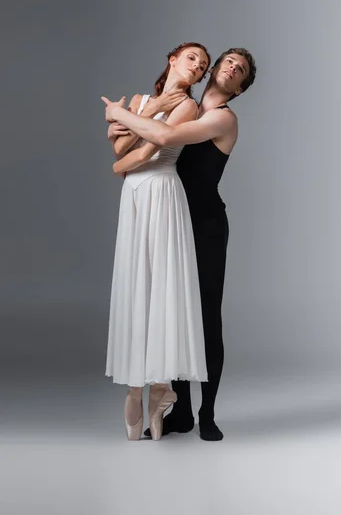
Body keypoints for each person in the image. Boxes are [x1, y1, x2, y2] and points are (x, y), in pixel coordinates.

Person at [104, 48, 256, 441]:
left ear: (239, 88)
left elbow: (166, 137)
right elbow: (136, 155)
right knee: (168, 308)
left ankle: (206, 414)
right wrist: (139, 119)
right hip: (168, 215)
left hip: (203, 223)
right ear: (212, 70)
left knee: (204, 316)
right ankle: (181, 412)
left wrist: (118, 114)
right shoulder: (183, 104)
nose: (232, 68)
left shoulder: (223, 118)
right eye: (227, 62)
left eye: (241, 71)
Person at [102, 42, 211, 441]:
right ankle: (138, 386)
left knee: (161, 285)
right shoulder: (140, 99)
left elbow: (146, 149)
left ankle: (160, 386)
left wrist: (121, 121)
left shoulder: (189, 108)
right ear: (173, 60)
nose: (198, 67)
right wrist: (132, 115)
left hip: (162, 191)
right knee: (137, 283)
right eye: (192, 58)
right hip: (134, 198)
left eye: (202, 66)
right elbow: (119, 143)